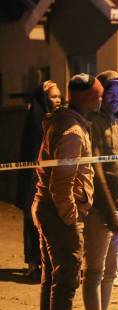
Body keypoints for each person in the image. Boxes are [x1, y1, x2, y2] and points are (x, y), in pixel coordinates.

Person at [32, 73, 102, 310]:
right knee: (66, 280)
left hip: (46, 208)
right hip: (59, 213)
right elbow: (62, 182)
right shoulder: (72, 131)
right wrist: (72, 218)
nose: (101, 99)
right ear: (87, 99)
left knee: (52, 278)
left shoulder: (63, 120)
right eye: (98, 95)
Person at [82, 71, 118, 310]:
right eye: (109, 93)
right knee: (95, 271)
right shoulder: (94, 123)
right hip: (100, 209)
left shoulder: (117, 122)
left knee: (111, 272)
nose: (114, 98)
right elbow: (97, 169)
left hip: (117, 207)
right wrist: (109, 208)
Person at [17, 80, 62, 281]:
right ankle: (32, 262)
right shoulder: (35, 119)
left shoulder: (57, 119)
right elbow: (30, 150)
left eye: (59, 95)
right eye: (54, 96)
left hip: (50, 177)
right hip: (34, 178)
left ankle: (47, 262)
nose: (58, 100)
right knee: (31, 219)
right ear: (44, 98)